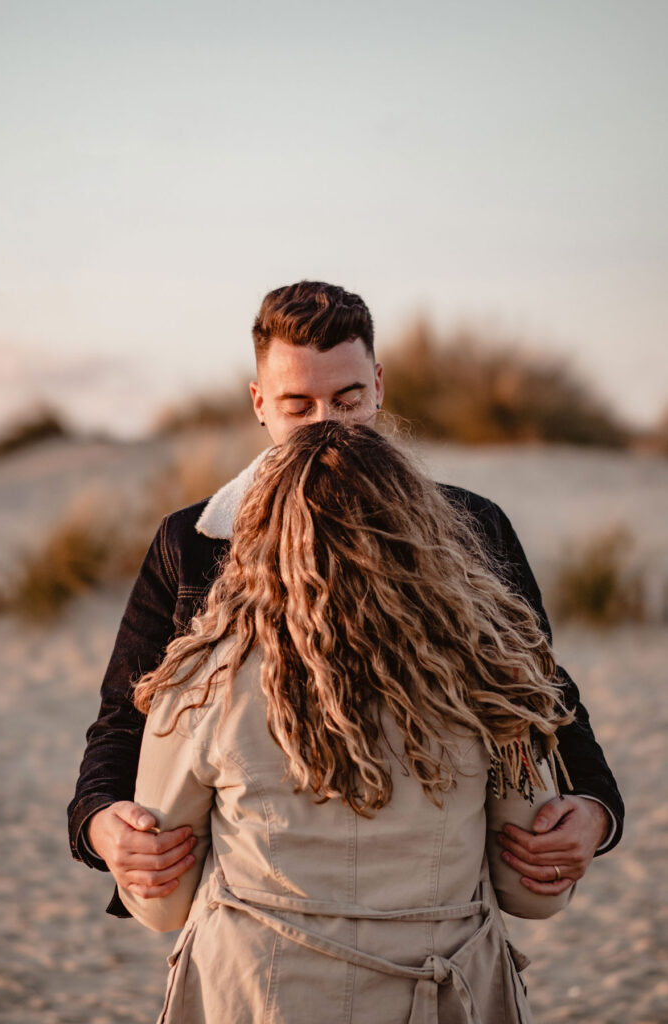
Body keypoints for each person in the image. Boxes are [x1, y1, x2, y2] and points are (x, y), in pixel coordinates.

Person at [68, 280, 623, 919]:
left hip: (436, 920)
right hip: (253, 920)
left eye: (347, 399)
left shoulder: (473, 527)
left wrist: (595, 811)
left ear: (379, 386)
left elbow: (545, 695)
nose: (325, 426)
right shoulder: (192, 543)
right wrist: (100, 824)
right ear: (259, 403)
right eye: (297, 406)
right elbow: (122, 717)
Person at [120, 420, 578, 1023]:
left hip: (261, 992)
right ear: (418, 527)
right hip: (438, 991)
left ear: (263, 534)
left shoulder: (201, 678)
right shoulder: (492, 673)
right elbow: (532, 891)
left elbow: (160, 904)